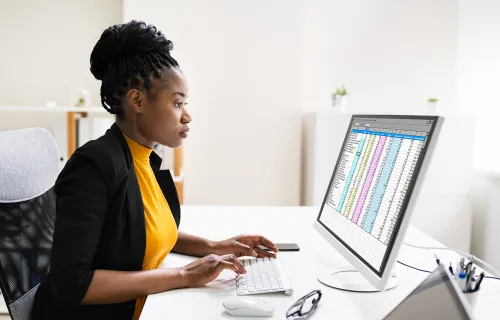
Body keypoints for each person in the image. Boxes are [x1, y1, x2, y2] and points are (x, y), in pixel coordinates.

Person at [32, 20, 278, 320]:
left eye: (185, 103)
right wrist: (184, 275)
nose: (187, 116)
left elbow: (143, 232)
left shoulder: (144, 159)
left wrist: (214, 246)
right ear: (137, 100)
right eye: (177, 103)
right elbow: (70, 284)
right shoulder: (94, 166)